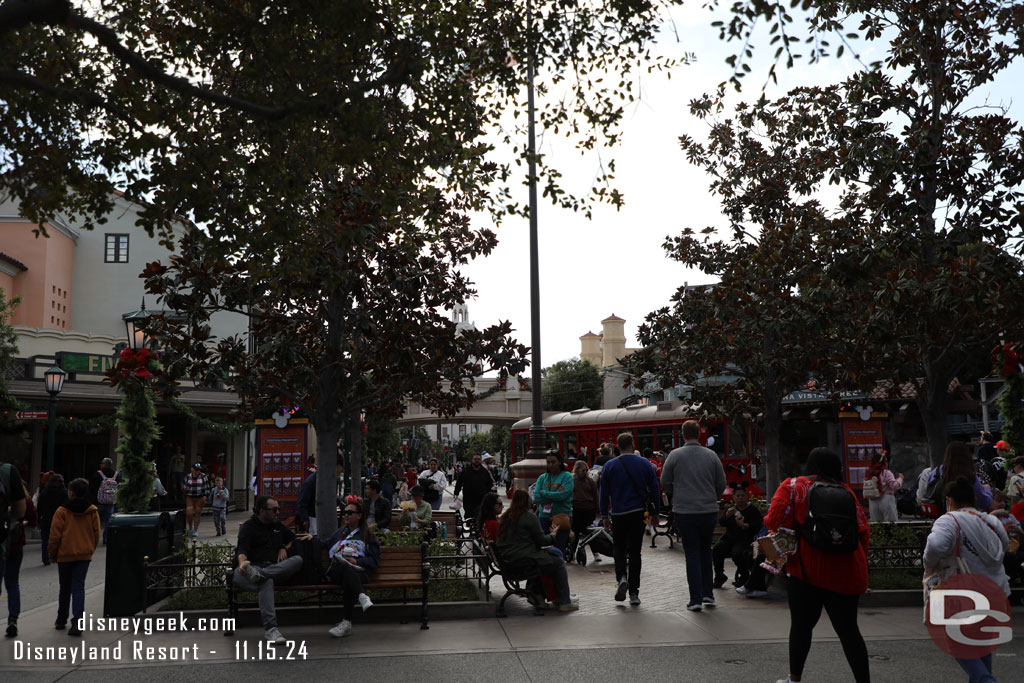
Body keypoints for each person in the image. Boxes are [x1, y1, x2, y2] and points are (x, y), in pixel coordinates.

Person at [766, 447, 870, 683]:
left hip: (806, 572)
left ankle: (795, 679)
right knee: (849, 632)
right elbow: (863, 532)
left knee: (801, 628)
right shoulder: (846, 492)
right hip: (846, 573)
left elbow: (774, 520)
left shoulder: (794, 486)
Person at [923, 477, 1009, 683]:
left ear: (949, 500)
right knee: (982, 646)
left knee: (957, 642)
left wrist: (930, 562)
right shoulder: (992, 521)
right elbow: (1004, 545)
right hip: (997, 590)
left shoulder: (949, 520)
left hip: (966, 594)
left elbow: (935, 547)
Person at [661, 420, 727, 612]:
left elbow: (665, 481)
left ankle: (695, 598)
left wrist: (677, 493)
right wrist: (711, 496)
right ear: (699, 434)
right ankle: (708, 593)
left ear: (683, 434)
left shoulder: (675, 455)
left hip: (685, 510)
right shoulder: (711, 455)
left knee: (692, 554)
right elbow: (721, 482)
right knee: (706, 551)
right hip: (708, 510)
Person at [234, 495, 307, 644]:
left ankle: (259, 575)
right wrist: (243, 564)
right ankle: (271, 630)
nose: (277, 512)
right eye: (274, 510)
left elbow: (293, 539)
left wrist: (282, 547)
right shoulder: (248, 527)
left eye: (278, 509)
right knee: (266, 582)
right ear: (262, 511)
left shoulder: (277, 526)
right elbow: (242, 550)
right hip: (249, 568)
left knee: (298, 560)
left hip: (273, 569)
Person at [599, 432, 660, 605]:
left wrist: (604, 515)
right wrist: (655, 513)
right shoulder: (645, 464)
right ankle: (634, 592)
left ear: (617, 446)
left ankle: (621, 578)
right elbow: (654, 489)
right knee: (635, 551)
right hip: (638, 513)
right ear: (633, 444)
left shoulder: (609, 466)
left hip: (618, 513)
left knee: (618, 548)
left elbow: (604, 493)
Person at [496, 489, 578, 611]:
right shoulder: (529, 517)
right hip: (523, 560)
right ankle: (564, 601)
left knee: (554, 554)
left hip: (508, 558)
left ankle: (540, 595)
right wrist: (553, 534)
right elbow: (543, 541)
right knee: (558, 563)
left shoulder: (505, 517)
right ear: (527, 502)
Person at [48, 478, 100, 637]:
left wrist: (52, 553)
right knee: (78, 587)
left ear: (71, 492)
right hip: (84, 555)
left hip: (65, 555)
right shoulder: (92, 511)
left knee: (65, 587)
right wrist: (90, 548)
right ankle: (77, 620)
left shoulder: (62, 511)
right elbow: (96, 533)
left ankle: (61, 619)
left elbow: (55, 535)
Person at [323, 500, 381, 638]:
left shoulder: (368, 536)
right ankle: (362, 596)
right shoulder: (340, 533)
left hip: (358, 572)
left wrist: (357, 560)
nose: (346, 516)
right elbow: (324, 543)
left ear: (359, 516)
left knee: (348, 575)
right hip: (337, 571)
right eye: (344, 513)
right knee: (345, 567)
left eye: (349, 512)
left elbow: (374, 560)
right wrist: (310, 538)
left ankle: (346, 623)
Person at [713, 484, 763, 589]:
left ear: (747, 497)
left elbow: (757, 526)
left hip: (744, 539)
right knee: (717, 549)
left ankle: (744, 576)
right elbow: (722, 522)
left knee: (737, 553)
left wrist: (744, 526)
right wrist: (727, 515)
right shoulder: (731, 509)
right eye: (738, 496)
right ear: (734, 498)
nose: (740, 498)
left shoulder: (752, 510)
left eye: (742, 496)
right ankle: (719, 576)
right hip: (729, 538)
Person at [3, 481, 34, 637]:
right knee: (13, 583)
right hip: (15, 545)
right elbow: (33, 519)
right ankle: (13, 619)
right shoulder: (25, 500)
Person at [928, 442, 993, 514]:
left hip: (940, 518)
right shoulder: (969, 475)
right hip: (966, 519)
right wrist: (987, 489)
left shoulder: (936, 473)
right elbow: (985, 502)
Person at [534, 451, 574, 554]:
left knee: (559, 548)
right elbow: (536, 498)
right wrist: (554, 495)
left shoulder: (567, 476)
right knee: (544, 547)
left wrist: (544, 493)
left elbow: (563, 496)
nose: (550, 465)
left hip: (562, 516)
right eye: (548, 462)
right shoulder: (542, 478)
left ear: (560, 462)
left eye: (553, 462)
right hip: (544, 517)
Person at [569, 460, 598, 559]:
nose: (585, 472)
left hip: (589, 509)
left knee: (590, 532)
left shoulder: (590, 481)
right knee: (575, 532)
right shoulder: (572, 481)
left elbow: (595, 496)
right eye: (583, 470)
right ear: (577, 470)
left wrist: (596, 509)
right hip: (576, 509)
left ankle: (595, 552)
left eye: (586, 470)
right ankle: (572, 552)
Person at [454, 453, 495, 520]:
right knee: (468, 517)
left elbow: (489, 485)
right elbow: (459, 482)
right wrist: (456, 493)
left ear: (481, 460)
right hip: (468, 500)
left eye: (478, 459)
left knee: (479, 516)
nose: (476, 460)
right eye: (475, 459)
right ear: (472, 460)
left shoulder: (484, 472)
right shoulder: (466, 471)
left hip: (481, 500)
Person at [37, 473, 66, 566]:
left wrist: (39, 517)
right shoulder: (63, 492)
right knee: (59, 538)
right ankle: (57, 555)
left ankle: (45, 558)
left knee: (45, 539)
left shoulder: (45, 492)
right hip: (59, 518)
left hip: (46, 518)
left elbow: (39, 507)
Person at [865, 451, 903, 523]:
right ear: (884, 463)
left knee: (876, 525)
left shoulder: (869, 473)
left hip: (873, 500)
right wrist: (900, 479)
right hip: (886, 499)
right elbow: (894, 485)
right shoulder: (886, 473)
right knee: (891, 523)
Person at [89, 458, 118, 545]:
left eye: (101, 463)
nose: (100, 465)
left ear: (105, 464)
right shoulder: (116, 475)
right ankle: (106, 538)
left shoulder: (97, 474)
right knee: (108, 521)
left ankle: (94, 538)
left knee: (94, 521)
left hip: (98, 501)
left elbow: (91, 487)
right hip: (111, 502)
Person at [183, 463, 210, 538]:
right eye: (195, 470)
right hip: (190, 496)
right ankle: (190, 528)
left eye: (198, 470)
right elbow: (185, 487)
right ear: (192, 469)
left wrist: (206, 496)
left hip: (200, 497)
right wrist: (188, 486)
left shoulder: (203, 476)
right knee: (189, 513)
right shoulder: (188, 476)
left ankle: (195, 530)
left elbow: (207, 486)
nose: (197, 471)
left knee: (198, 512)